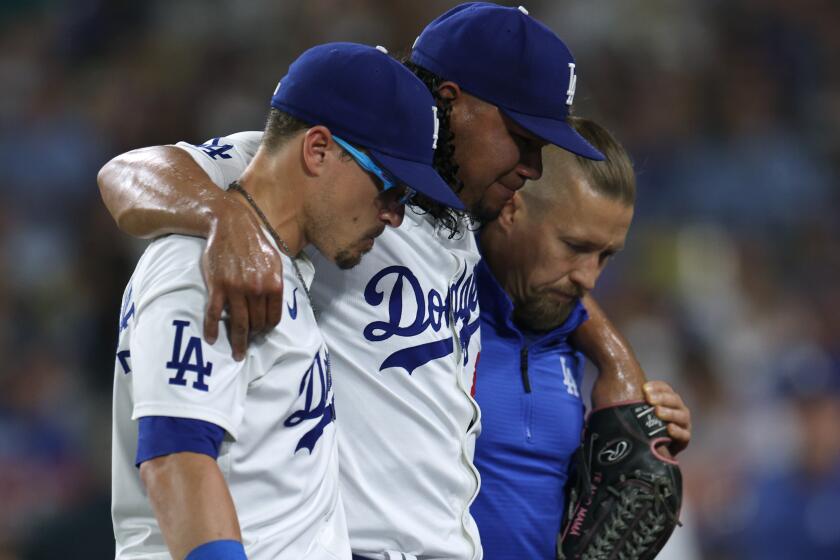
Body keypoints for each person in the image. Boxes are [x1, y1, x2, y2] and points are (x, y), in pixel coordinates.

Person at [99, 4, 669, 558]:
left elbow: (560, 278)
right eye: (523, 140)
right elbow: (128, 173)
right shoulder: (333, 173)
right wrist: (222, 217)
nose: (534, 167)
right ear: (453, 102)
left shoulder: (468, 217)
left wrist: (619, 366)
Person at [109, 42, 462, 560]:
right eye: (390, 187)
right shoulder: (208, 265)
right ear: (317, 149)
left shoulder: (271, 262)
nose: (394, 216)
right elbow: (177, 457)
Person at [471, 117, 691, 559]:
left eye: (606, 256)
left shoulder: (562, 328)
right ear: (511, 206)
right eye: (574, 246)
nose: (589, 277)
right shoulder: (431, 306)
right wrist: (617, 360)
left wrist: (640, 424)